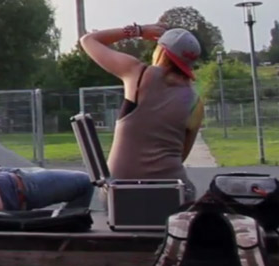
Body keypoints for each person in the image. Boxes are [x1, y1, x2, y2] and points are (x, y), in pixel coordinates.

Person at [79, 22, 203, 200]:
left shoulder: (138, 74)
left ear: (160, 51)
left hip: (118, 194)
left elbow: (89, 40)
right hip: (170, 193)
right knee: (192, 192)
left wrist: (139, 31)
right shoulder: (195, 102)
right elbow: (182, 154)